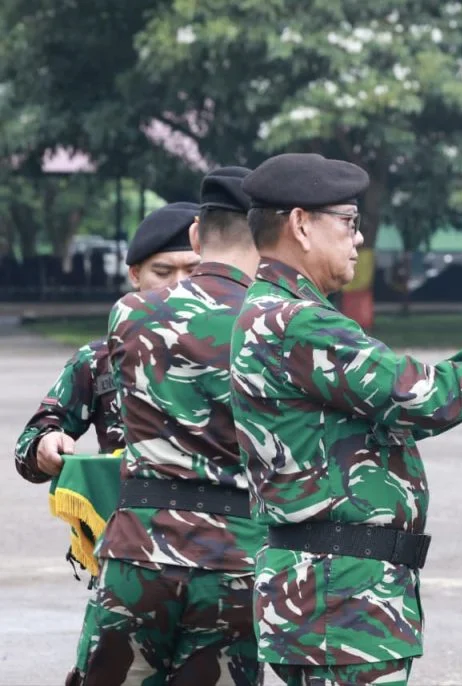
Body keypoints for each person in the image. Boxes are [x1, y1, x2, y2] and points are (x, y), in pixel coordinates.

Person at [229, 152, 462, 686]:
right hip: (339, 601)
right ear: (301, 225)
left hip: (334, 595)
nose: (358, 239)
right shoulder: (296, 323)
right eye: (350, 224)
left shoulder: (275, 312)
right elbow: (426, 397)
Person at [81, 168, 266, 686]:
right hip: (238, 557)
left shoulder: (129, 313)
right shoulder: (284, 322)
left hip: (140, 551)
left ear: (196, 236)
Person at [13, 201, 201, 686]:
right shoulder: (100, 359)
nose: (178, 283)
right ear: (135, 275)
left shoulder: (244, 349)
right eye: (164, 271)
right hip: (131, 560)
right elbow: (33, 438)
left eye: (192, 270)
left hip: (223, 564)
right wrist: (47, 446)